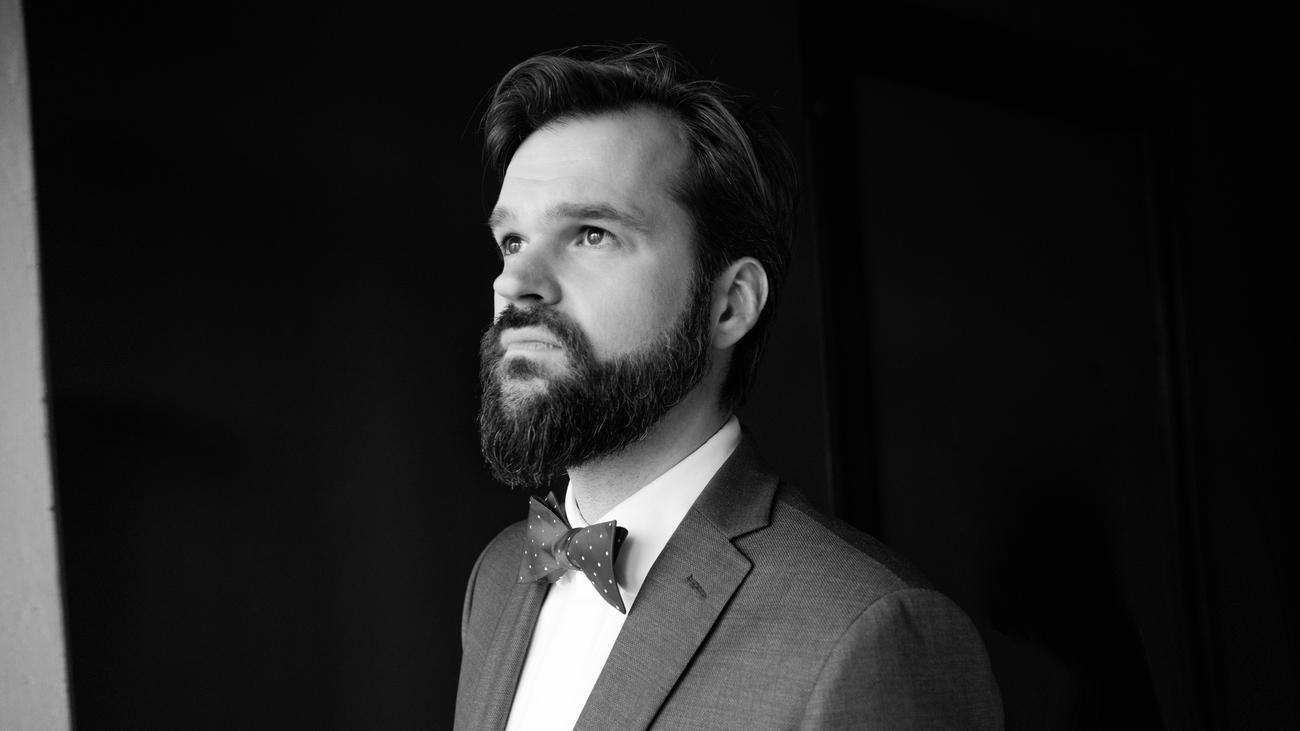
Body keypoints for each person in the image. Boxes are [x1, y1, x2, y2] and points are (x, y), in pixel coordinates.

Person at [455, 43, 1003, 730]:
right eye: (511, 242)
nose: (515, 283)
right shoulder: (497, 578)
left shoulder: (869, 631)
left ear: (729, 304)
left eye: (591, 234)